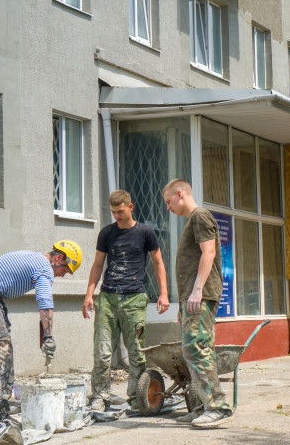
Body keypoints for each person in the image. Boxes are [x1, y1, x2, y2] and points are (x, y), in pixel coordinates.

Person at [0, 241, 82, 421]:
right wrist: (49, 337)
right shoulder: (44, 268)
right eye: (66, 269)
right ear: (58, 258)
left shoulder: (34, 258)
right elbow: (45, 302)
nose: (63, 275)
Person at [83, 190, 169, 411]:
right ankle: (100, 397)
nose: (117, 216)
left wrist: (164, 293)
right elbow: (97, 265)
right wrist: (89, 294)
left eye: (120, 211)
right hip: (108, 299)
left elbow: (158, 263)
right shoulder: (106, 233)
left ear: (131, 207)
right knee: (102, 353)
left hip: (134, 299)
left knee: (137, 354)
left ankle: (136, 398)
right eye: (113, 212)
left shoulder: (145, 232)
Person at [162, 179, 233, 429]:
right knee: (193, 349)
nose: (168, 207)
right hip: (192, 298)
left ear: (180, 194)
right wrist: (183, 303)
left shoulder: (200, 216)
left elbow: (209, 252)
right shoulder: (192, 220)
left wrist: (197, 291)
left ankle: (218, 407)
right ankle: (204, 406)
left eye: (169, 201)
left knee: (196, 348)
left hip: (201, 295)